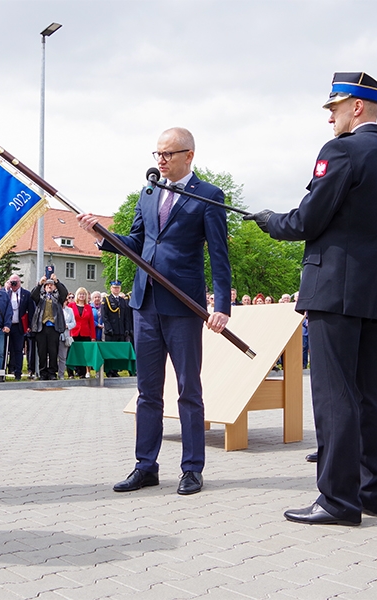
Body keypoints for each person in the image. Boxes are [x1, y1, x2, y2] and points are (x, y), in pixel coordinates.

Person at [243, 72, 377, 525]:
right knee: (369, 393)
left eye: (334, 108)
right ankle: (372, 492)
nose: (329, 117)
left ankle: (337, 500)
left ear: (356, 106)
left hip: (333, 288)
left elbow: (308, 220)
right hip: (370, 291)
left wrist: (270, 219)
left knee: (334, 396)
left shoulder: (342, 150)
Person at [77, 126, 231, 496]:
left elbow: (219, 257)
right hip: (144, 305)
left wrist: (221, 306)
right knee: (147, 391)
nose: (160, 161)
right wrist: (101, 233)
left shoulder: (209, 196)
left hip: (183, 305)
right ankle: (145, 466)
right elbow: (135, 242)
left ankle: (192, 469)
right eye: (156, 155)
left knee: (188, 390)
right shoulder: (148, 193)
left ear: (189, 155)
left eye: (168, 154)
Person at [29, 276, 68, 380]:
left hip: (54, 328)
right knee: (41, 352)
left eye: (51, 285)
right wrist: (39, 284)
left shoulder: (58, 298)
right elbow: (33, 295)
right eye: (47, 285)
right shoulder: (40, 297)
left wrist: (57, 282)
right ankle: (43, 372)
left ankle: (52, 372)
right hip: (41, 328)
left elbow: (64, 293)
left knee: (53, 352)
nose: (49, 286)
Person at [102, 280, 132, 377]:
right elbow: (104, 316)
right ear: (111, 288)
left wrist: (126, 329)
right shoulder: (106, 300)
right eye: (114, 287)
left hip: (121, 331)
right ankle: (109, 371)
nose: (116, 289)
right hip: (111, 331)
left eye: (118, 287)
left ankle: (116, 370)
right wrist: (108, 328)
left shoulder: (123, 301)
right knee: (110, 352)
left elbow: (126, 317)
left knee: (118, 353)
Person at [4, 274, 31, 379]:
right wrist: (7, 288)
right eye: (12, 282)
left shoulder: (26, 294)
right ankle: (3, 371)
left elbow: (30, 310)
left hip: (19, 326)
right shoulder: (5, 293)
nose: (14, 285)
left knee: (18, 350)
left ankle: (18, 373)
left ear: (20, 282)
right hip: (7, 325)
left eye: (15, 282)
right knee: (5, 349)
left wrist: (29, 325)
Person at [70, 287, 96, 378]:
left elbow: (91, 323)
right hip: (74, 332)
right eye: (80, 294)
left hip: (85, 333)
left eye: (83, 294)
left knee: (85, 354)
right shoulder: (71, 306)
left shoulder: (88, 307)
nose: (81, 296)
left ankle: (83, 372)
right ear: (77, 295)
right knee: (75, 353)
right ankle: (74, 371)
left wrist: (93, 336)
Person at [57, 292, 77, 379]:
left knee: (63, 356)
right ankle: (52, 373)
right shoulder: (55, 309)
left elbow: (74, 323)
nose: (63, 302)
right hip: (55, 334)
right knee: (52, 356)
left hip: (65, 335)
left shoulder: (70, 310)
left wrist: (67, 325)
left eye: (65, 300)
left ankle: (61, 375)